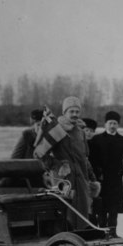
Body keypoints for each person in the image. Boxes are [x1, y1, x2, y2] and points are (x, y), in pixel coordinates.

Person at [37, 97, 99, 230]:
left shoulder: (81, 132)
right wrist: (57, 165)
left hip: (81, 178)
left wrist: (91, 179)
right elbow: (40, 153)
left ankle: (79, 243)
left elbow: (84, 158)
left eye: (77, 111)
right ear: (64, 112)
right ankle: (63, 244)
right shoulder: (56, 130)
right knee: (65, 213)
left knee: (82, 211)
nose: (75, 114)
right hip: (63, 180)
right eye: (71, 111)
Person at [90, 110, 123, 229]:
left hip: (115, 180)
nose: (112, 126)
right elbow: (91, 159)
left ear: (118, 125)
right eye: (110, 123)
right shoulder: (96, 139)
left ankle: (112, 233)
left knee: (113, 210)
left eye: (115, 123)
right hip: (100, 179)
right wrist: (96, 173)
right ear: (105, 124)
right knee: (100, 208)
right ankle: (101, 232)